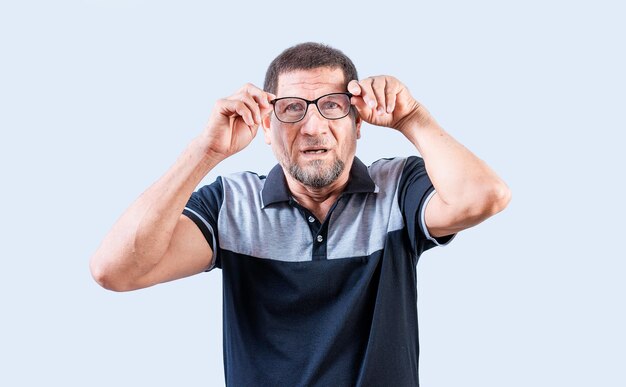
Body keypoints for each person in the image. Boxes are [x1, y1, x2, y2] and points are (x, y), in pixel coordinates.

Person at [90, 42, 511, 386]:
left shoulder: (397, 189)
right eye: (292, 109)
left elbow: (485, 197)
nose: (312, 127)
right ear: (267, 130)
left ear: (358, 123)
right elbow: (115, 270)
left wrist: (413, 118)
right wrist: (205, 151)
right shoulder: (232, 204)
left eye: (331, 105)